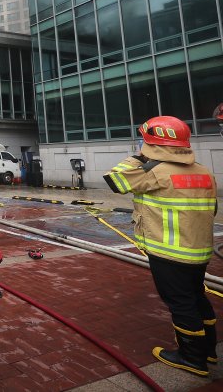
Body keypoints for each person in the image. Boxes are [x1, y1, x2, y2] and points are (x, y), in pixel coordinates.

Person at [104, 116, 218, 376]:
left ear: (152, 144)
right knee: (196, 296)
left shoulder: (154, 172)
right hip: (199, 250)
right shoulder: (204, 171)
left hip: (169, 251)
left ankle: (192, 358)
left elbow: (115, 180)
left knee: (180, 303)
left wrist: (139, 157)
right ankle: (208, 350)